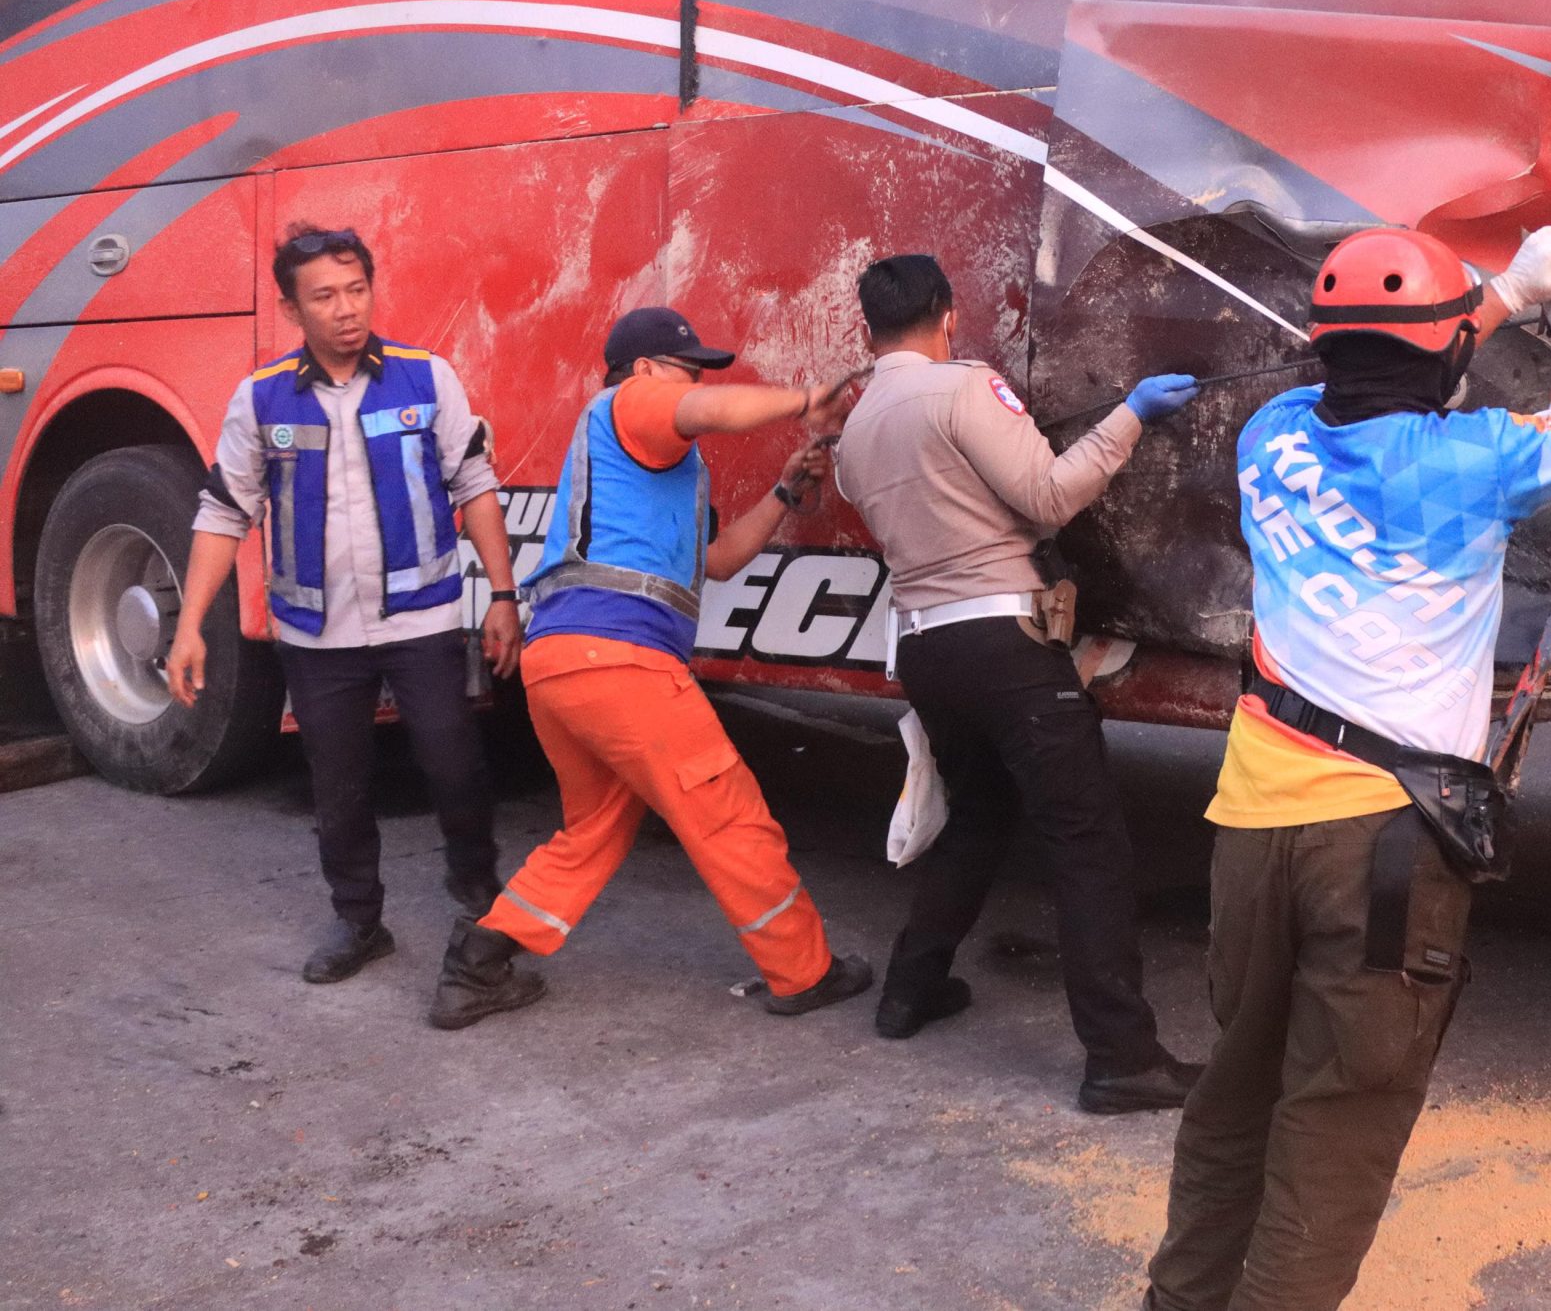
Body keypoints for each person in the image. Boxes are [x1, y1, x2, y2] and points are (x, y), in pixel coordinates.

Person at [1145, 225, 1551, 1311]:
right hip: (1387, 850)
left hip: (1252, 824)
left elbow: (1410, 356)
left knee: (1236, 1099)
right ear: (1450, 349)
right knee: (1338, 1128)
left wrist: (1499, 292)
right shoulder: (1482, 457)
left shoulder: (1268, 435)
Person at [428, 306, 871, 1029]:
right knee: (728, 813)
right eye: (683, 366)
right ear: (643, 371)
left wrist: (787, 491)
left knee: (593, 829)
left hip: (564, 665)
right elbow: (704, 409)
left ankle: (477, 962)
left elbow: (717, 562)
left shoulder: (660, 467)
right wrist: (802, 400)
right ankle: (803, 970)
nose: (694, 379)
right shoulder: (629, 405)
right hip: (621, 664)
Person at [831, 253, 1201, 1112]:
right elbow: (1047, 496)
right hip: (1005, 641)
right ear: (947, 314)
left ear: (868, 329)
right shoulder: (964, 388)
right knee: (1087, 838)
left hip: (927, 650)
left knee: (982, 813)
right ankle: (1121, 1056)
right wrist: (1130, 417)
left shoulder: (854, 432)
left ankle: (909, 988)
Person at [169, 225, 522, 985]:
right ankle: (359, 920)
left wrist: (501, 594)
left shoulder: (426, 378)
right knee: (339, 785)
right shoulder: (261, 398)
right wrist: (190, 625)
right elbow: (224, 513)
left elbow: (475, 487)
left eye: (356, 288)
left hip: (422, 618)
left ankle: (482, 899)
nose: (346, 309)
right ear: (292, 309)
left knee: (455, 764)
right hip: (316, 634)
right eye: (324, 295)